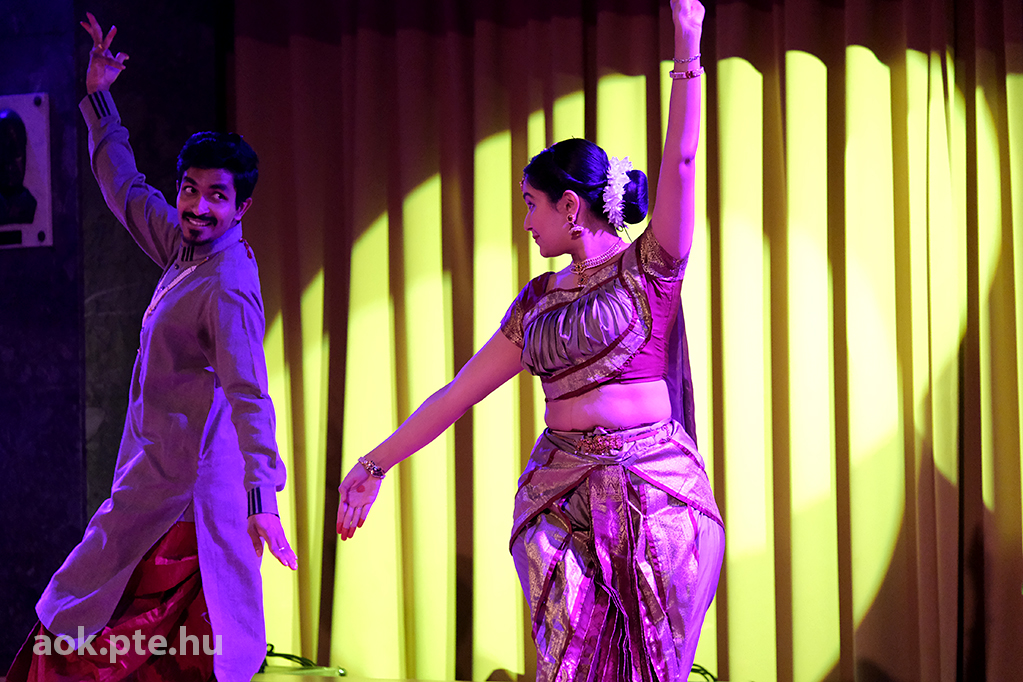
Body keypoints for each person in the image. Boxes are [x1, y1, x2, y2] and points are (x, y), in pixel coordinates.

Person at [336, 1, 721, 679]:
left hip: (657, 495)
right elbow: (457, 394)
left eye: (530, 204)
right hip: (561, 497)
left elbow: (684, 163)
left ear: (569, 207)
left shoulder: (651, 266)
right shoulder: (538, 304)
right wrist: (373, 465)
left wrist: (686, 45)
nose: (525, 222)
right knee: (570, 663)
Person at [5, 13, 297, 682]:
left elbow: (251, 396)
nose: (197, 206)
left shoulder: (226, 285)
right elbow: (128, 191)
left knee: (126, 637)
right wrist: (99, 97)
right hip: (156, 472)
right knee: (101, 621)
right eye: (190, 189)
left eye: (216, 196)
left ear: (241, 208)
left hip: (185, 499)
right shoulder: (188, 250)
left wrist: (262, 499)